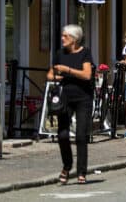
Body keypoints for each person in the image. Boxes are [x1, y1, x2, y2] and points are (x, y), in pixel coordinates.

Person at [47, 24, 94, 185]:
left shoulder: (85, 53)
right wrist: (58, 76)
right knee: (62, 135)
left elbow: (87, 75)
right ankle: (67, 165)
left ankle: (81, 171)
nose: (62, 38)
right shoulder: (60, 54)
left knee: (81, 136)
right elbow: (50, 74)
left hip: (83, 98)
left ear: (74, 39)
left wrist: (67, 70)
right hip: (64, 98)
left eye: (65, 36)